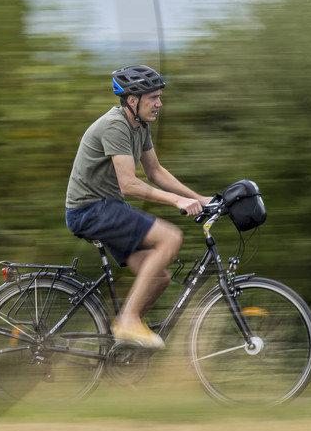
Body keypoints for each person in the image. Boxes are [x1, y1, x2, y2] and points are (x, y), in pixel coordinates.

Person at [63, 65, 210, 349]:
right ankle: (129, 318)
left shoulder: (139, 127)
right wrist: (177, 201)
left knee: (159, 277)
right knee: (170, 237)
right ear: (133, 100)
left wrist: (200, 198)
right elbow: (128, 184)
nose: (159, 103)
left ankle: (124, 344)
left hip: (107, 207)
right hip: (89, 210)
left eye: (159, 97)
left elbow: (155, 171)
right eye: (153, 97)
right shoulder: (115, 125)